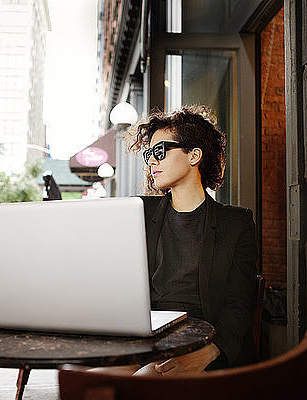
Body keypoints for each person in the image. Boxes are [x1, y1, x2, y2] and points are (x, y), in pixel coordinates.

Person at [96, 105, 257, 376]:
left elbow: (240, 303)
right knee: (89, 383)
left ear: (194, 155)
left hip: (202, 341)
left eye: (160, 151)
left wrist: (209, 353)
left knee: (140, 382)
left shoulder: (236, 223)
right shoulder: (139, 213)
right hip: (146, 337)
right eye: (149, 155)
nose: (152, 162)